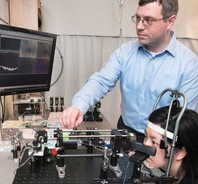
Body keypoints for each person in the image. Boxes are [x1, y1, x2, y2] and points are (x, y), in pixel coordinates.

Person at [59, 0, 198, 143]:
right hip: (126, 132)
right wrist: (78, 106)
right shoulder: (125, 52)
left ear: (170, 21)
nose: (139, 26)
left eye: (148, 20)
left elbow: (181, 118)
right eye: (138, 18)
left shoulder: (189, 64)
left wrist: (152, 143)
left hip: (162, 141)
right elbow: (101, 81)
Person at [143, 106, 198, 184]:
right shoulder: (163, 173)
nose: (145, 145)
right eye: (145, 136)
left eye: (154, 143)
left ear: (181, 153)